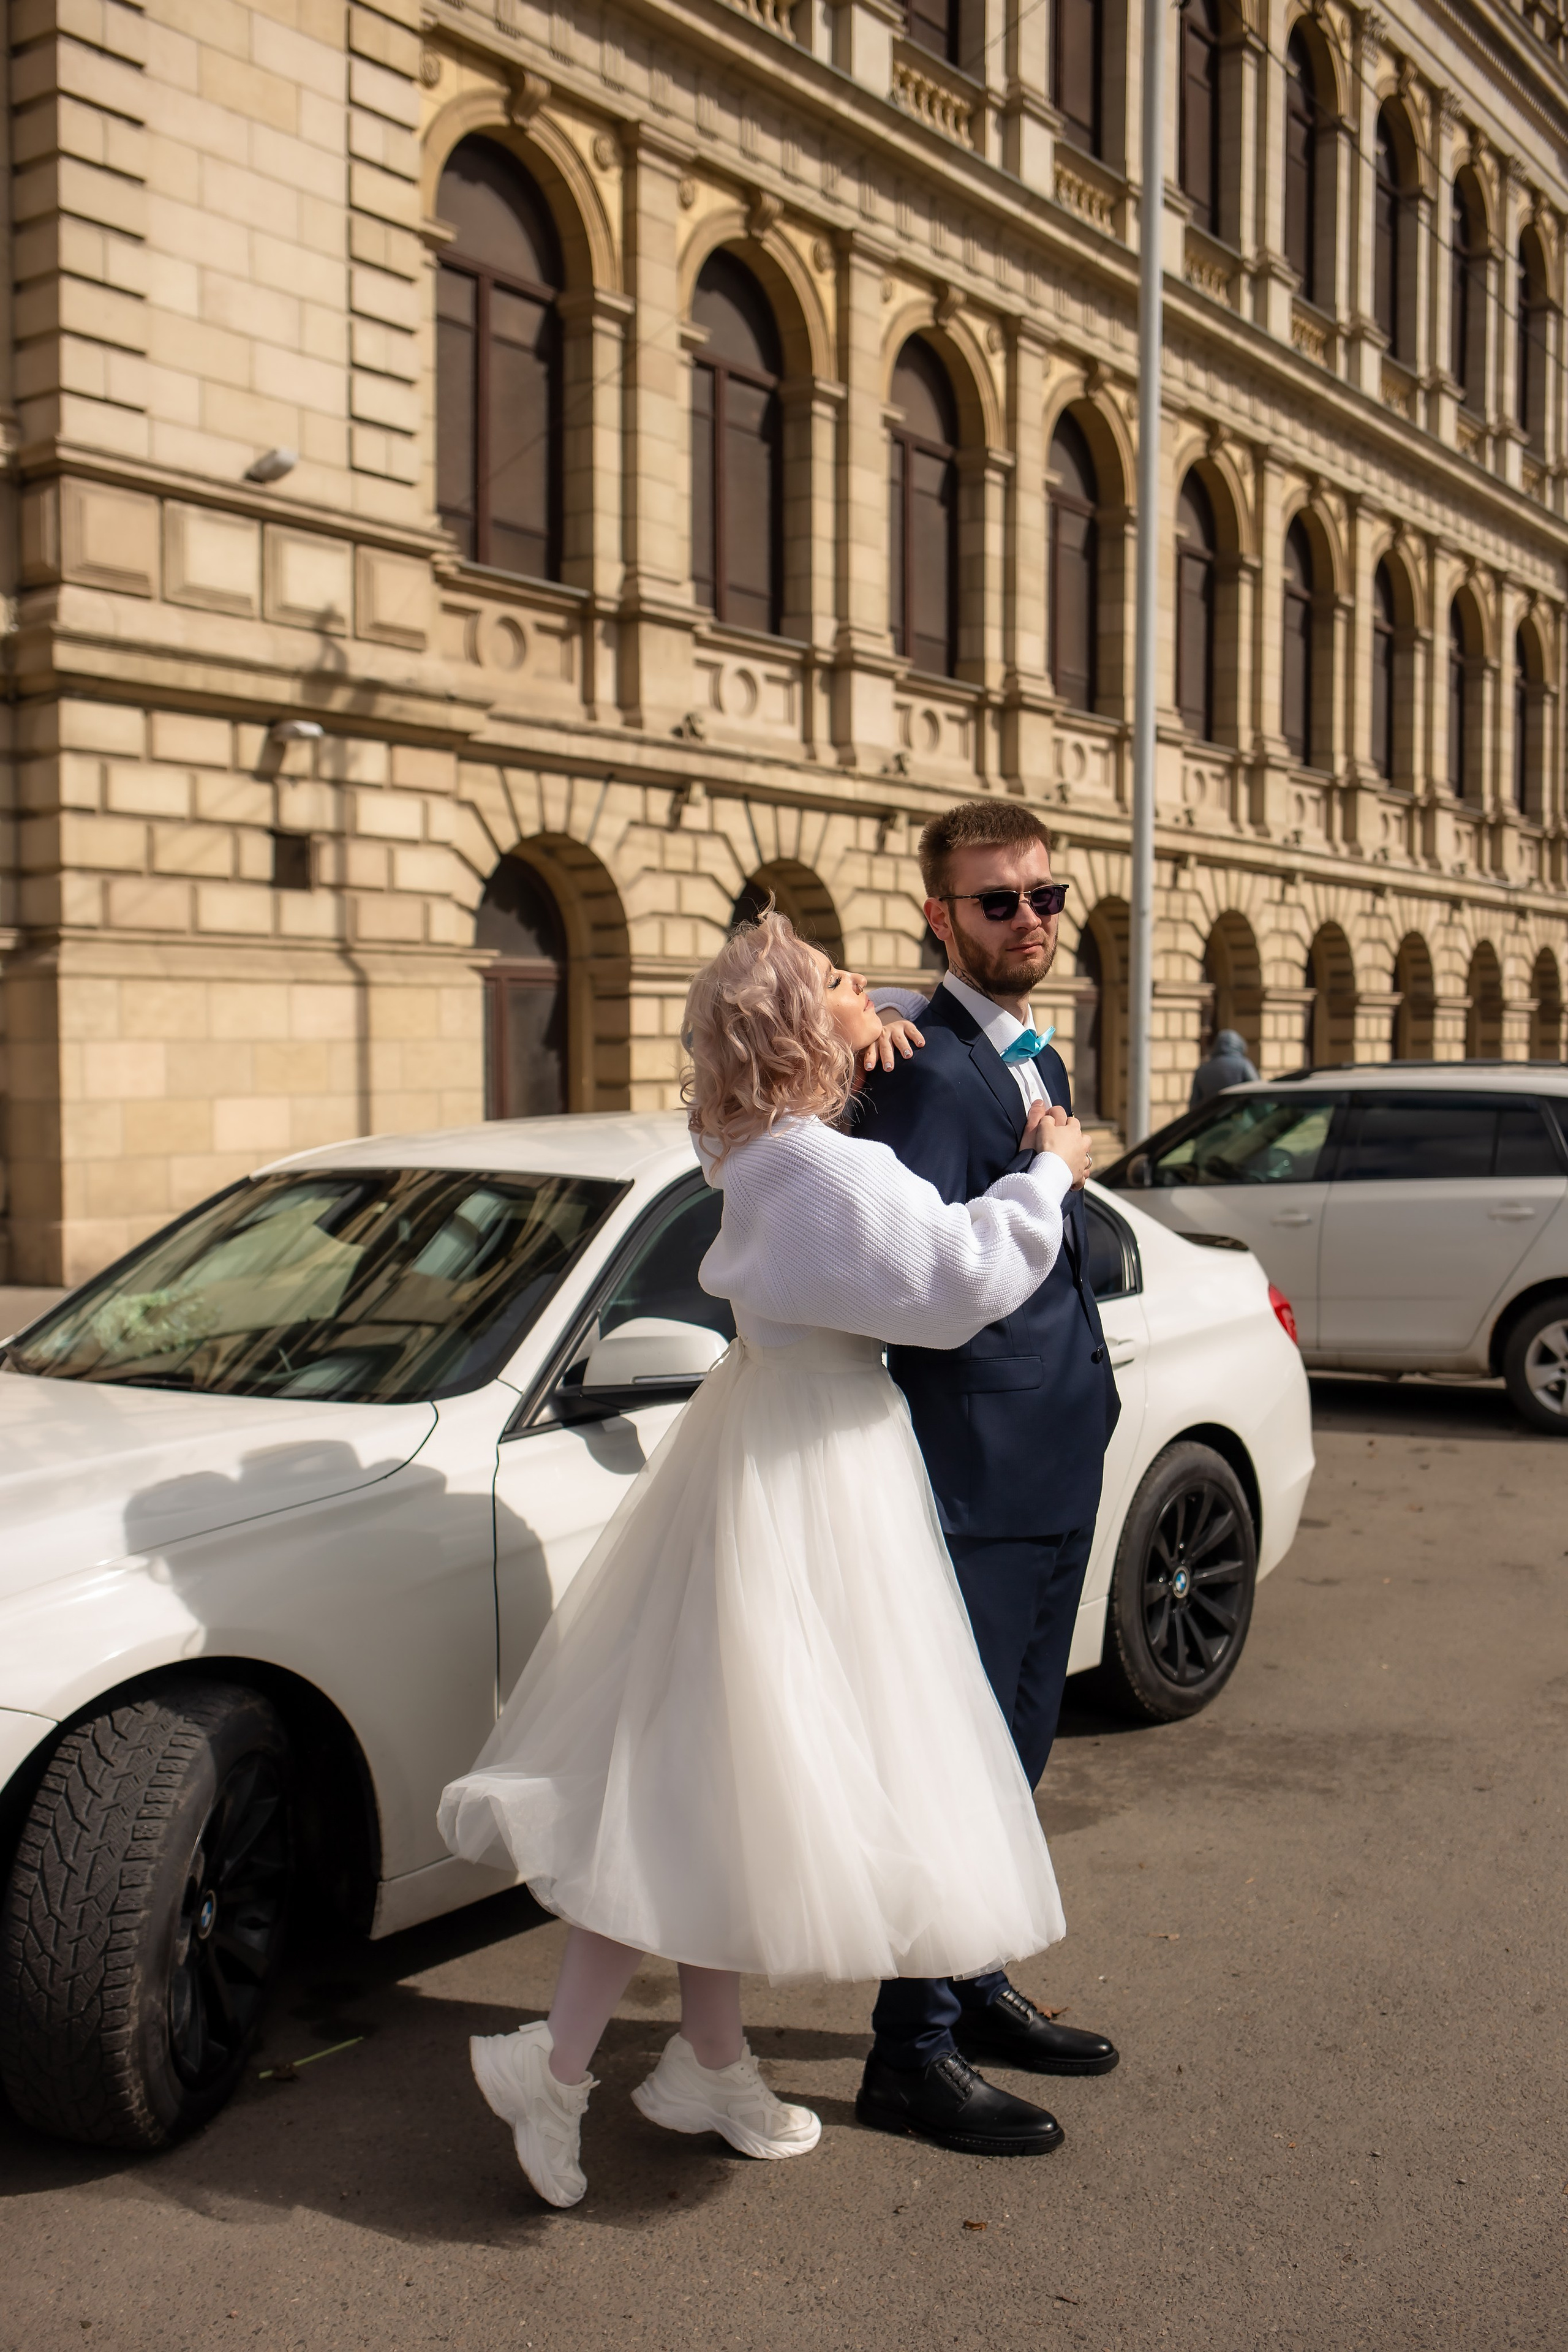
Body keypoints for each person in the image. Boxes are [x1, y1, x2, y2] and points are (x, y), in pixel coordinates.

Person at [438, 911, 1091, 2207]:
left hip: (782, 1445)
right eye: (848, 985)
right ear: (800, 1028)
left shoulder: (754, 1143)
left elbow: (862, 1073)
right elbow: (959, 1277)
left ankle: (710, 2060)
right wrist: (1050, 1171)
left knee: (737, 1781)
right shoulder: (814, 1167)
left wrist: (857, 1025)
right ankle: (556, 2064)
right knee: (702, 1786)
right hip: (814, 1465)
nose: (879, 994)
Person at [854, 800, 1123, 2154]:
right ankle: (907, 2052)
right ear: (937, 918)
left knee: (1015, 1754)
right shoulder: (916, 1070)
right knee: (957, 1765)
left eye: (1043, 896)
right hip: (971, 1475)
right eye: (996, 901)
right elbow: (921, 1284)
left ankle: (969, 1983)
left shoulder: (1036, 1053)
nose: (1028, 920)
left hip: (1058, 1456)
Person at [1189, 1027, 1259, 1108]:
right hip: (1238, 1114)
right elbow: (1257, 1090)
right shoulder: (1243, 1065)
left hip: (1211, 1116)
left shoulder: (1202, 1070)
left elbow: (1194, 1103)